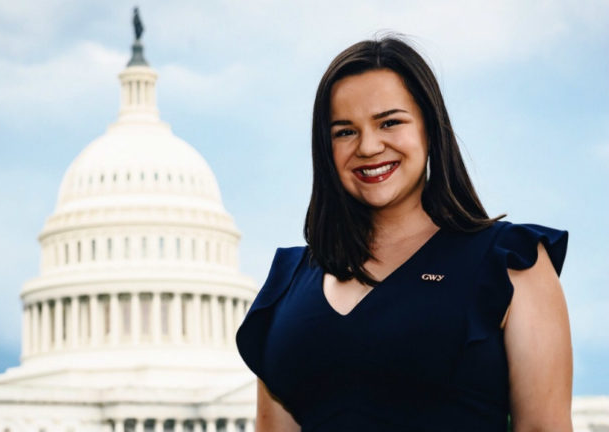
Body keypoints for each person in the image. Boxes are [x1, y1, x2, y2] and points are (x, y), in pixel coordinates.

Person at [235, 35, 572, 432]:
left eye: (389, 122)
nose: (369, 146)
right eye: (345, 131)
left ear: (430, 128)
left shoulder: (513, 265)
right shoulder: (284, 289)